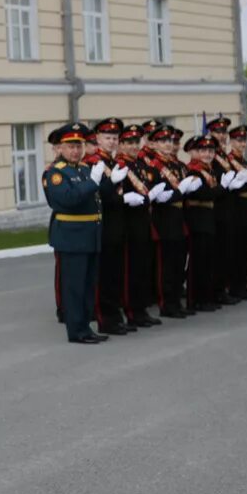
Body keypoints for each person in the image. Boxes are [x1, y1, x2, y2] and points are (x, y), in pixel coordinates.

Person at [42, 123, 106, 344]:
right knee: (74, 287)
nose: (76, 151)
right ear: (60, 148)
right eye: (70, 146)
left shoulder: (83, 169)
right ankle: (76, 331)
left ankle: (85, 327)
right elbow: (68, 199)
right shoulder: (56, 173)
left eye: (79, 146)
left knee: (88, 285)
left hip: (88, 235)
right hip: (71, 237)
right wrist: (92, 183)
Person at [86, 118, 133, 335]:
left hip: (118, 223)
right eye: (108, 138)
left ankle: (116, 314)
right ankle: (106, 318)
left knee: (116, 273)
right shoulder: (93, 162)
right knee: (105, 275)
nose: (112, 142)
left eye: (115, 138)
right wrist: (111, 184)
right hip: (103, 225)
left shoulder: (113, 163)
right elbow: (96, 194)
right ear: (97, 138)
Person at [144, 126, 196, 318]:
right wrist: (176, 192)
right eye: (163, 141)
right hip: (164, 218)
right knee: (165, 265)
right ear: (155, 144)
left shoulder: (178, 166)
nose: (168, 145)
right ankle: (167, 304)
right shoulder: (153, 167)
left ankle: (176, 300)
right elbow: (155, 194)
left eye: (171, 141)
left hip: (180, 218)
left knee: (178, 262)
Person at [115, 124, 161, 328]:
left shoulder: (139, 165)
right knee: (131, 271)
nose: (134, 146)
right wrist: (126, 198)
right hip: (128, 224)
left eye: (136, 142)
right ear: (121, 144)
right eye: (129, 143)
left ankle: (140, 309)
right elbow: (117, 195)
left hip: (143, 222)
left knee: (142, 269)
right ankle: (131, 311)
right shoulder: (120, 166)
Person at [183, 135, 223, 312]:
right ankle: (195, 299)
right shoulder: (193, 171)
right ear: (196, 152)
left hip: (208, 218)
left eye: (211, 151)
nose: (207, 154)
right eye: (204, 151)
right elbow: (204, 194)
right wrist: (222, 188)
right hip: (197, 219)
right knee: (197, 262)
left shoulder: (209, 169)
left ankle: (206, 296)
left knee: (208, 260)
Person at [205, 117, 241, 307]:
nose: (221, 136)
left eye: (223, 132)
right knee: (217, 253)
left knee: (226, 251)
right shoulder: (210, 156)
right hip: (216, 208)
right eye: (218, 132)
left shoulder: (224, 156)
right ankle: (216, 290)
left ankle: (223, 288)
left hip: (228, 206)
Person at [225, 125, 247, 299]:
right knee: (235, 249)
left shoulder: (244, 161)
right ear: (231, 141)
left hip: (245, 207)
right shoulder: (229, 160)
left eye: (244, 140)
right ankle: (234, 285)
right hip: (235, 207)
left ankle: (243, 284)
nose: (242, 143)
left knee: (245, 248)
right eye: (238, 140)